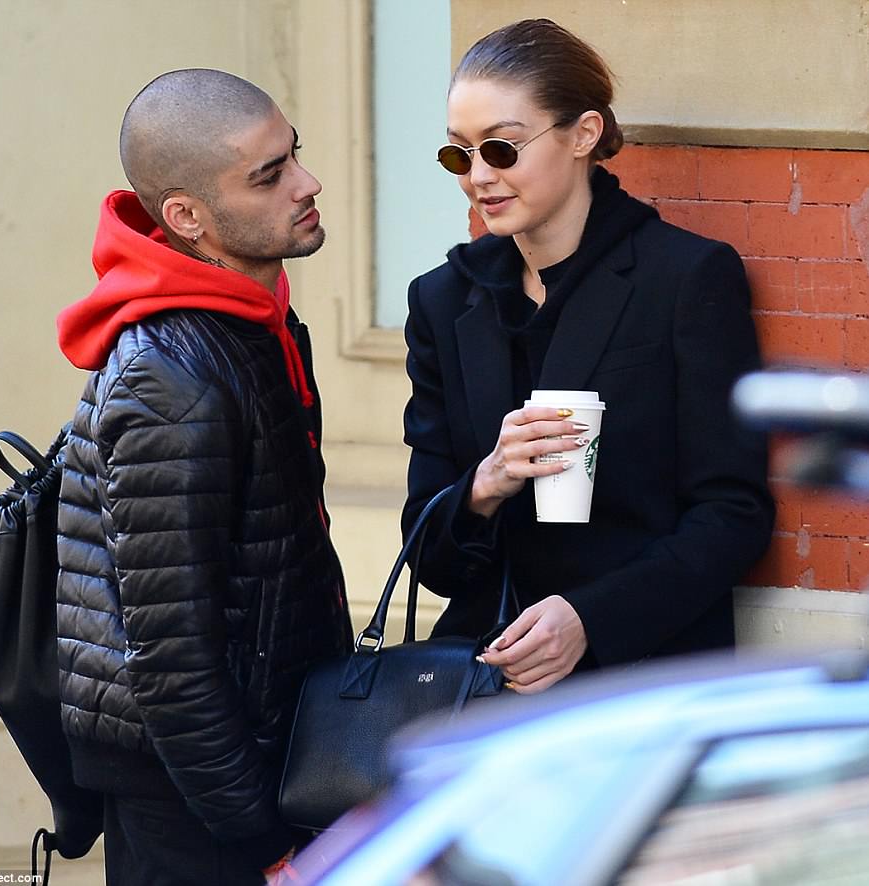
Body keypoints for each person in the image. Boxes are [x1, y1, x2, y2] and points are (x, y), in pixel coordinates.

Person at [402, 19, 774, 694]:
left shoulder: (683, 279)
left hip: (640, 679)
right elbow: (430, 556)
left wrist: (589, 619)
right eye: (459, 155)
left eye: (502, 150)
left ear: (583, 134)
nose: (478, 177)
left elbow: (733, 515)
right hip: (483, 685)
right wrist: (485, 483)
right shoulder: (442, 300)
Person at [55, 69, 352, 885]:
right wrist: (263, 842)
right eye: (270, 175)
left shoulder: (257, 323)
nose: (308, 183)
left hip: (264, 762)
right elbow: (170, 657)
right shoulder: (169, 381)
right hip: (198, 802)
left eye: (295, 155)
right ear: (186, 217)